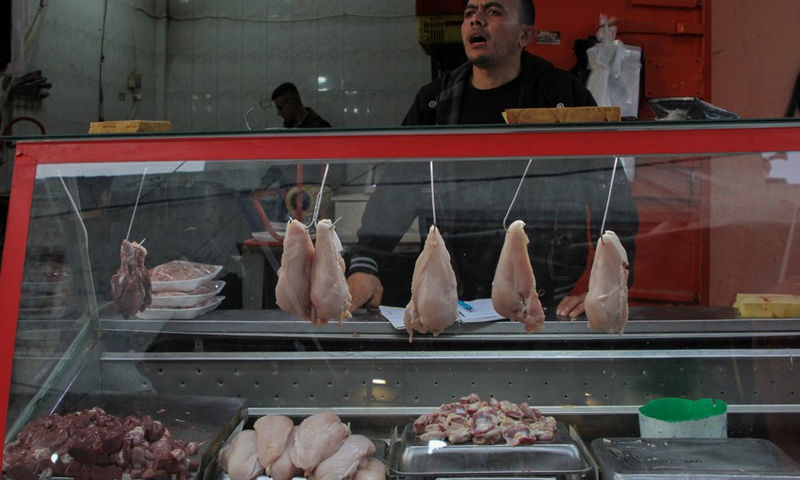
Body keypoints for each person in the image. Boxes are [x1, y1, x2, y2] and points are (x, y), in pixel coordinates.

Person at [345, 0, 639, 318]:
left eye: (494, 12)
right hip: (451, 296)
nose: (477, 20)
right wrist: (365, 262)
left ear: (526, 35)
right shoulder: (435, 102)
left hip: (543, 299)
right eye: (470, 13)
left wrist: (608, 284)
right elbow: (398, 187)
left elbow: (609, 195)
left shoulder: (561, 95)